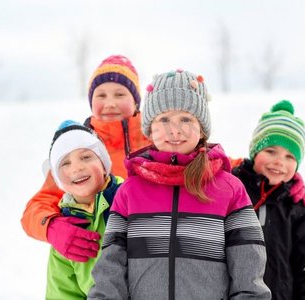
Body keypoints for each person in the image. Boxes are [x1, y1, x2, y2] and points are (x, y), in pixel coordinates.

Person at [88, 69, 271, 299]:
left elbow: (248, 270)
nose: (174, 130)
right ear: (149, 128)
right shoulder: (129, 192)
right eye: (164, 119)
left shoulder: (229, 190)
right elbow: (110, 270)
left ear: (202, 128)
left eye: (186, 119)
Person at [21, 55, 150, 262]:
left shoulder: (157, 140)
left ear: (136, 101)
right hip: (96, 263)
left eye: (119, 94)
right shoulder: (78, 150)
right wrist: (52, 228)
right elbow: (36, 208)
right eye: (101, 95)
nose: (110, 103)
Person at [231, 100, 305, 299]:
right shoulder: (233, 191)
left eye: (290, 156)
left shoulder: (296, 209)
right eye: (270, 151)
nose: (279, 161)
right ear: (255, 152)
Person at [45, 120, 123, 299]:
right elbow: (62, 292)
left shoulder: (130, 199)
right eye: (65, 163)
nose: (76, 167)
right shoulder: (65, 231)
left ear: (104, 164)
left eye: (86, 157)